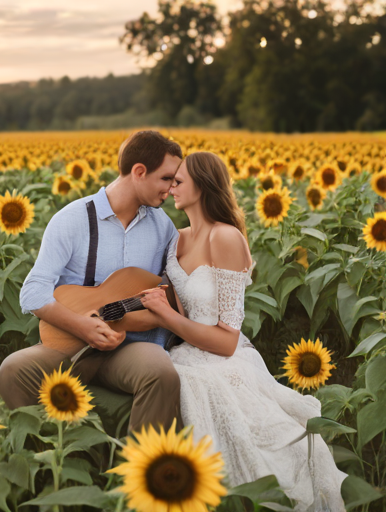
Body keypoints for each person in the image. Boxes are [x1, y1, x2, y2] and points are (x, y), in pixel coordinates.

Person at [139, 152, 347, 511]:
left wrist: (165, 317)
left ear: (203, 186)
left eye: (179, 180)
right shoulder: (177, 240)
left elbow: (226, 340)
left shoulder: (226, 238)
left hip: (224, 359)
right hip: (185, 353)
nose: (172, 186)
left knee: (271, 449)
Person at [0, 130, 183, 433]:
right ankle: (50, 454)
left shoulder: (163, 226)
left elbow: (174, 287)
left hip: (128, 347)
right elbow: (33, 292)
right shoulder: (72, 219)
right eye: (166, 179)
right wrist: (82, 325)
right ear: (139, 172)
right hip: (69, 344)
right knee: (12, 370)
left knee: (161, 373)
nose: (171, 188)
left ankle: (142, 470)